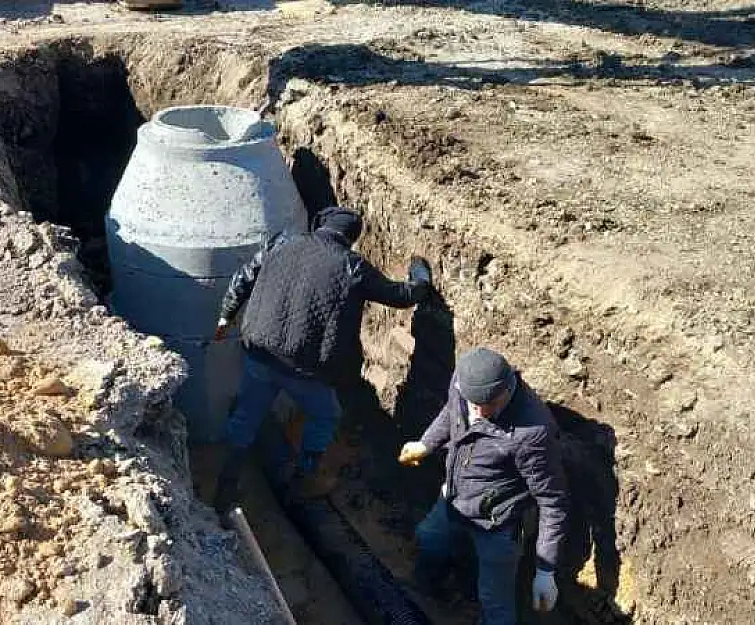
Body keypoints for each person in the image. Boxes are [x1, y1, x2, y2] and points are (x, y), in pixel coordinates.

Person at [212, 206, 433, 516]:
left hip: (259, 353)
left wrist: (226, 316)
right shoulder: (351, 266)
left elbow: (244, 276)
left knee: (247, 415)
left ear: (319, 225)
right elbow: (402, 295)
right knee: (325, 416)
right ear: (351, 238)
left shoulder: (281, 243)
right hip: (304, 369)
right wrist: (420, 276)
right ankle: (303, 478)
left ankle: (225, 484)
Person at [399, 347, 569, 625]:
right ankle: (429, 594)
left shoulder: (533, 433)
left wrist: (545, 570)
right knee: (429, 539)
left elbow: (553, 502)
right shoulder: (464, 382)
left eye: (485, 405)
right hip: (454, 499)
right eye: (471, 403)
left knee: (495, 601)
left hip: (499, 525)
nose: (476, 412)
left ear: (505, 391)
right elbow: (450, 412)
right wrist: (426, 444)